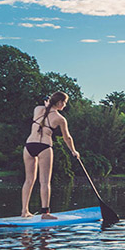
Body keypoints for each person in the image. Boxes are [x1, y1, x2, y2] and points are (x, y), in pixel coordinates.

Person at [21, 91, 79, 219]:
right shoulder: (60, 119)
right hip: (44, 146)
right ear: (59, 102)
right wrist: (73, 151)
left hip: (29, 145)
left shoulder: (37, 109)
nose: (64, 105)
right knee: (45, 181)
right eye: (64, 103)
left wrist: (48, 105)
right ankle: (45, 213)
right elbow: (67, 138)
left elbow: (44, 111)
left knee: (29, 180)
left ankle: (24, 211)